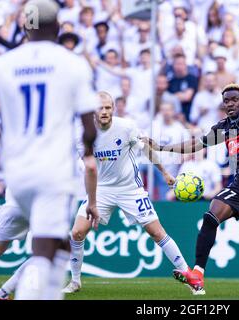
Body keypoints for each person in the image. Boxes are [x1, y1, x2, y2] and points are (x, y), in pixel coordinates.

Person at [0, 0, 99, 300]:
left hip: (16, 175)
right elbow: (89, 128)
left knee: (57, 247)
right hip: (53, 173)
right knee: (45, 253)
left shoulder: (3, 63)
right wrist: (87, 152)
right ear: (58, 27)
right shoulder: (71, 63)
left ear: (25, 27)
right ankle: (17, 294)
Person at [143, 84, 239, 295]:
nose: (229, 104)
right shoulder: (224, 128)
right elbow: (195, 145)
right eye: (226, 101)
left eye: (234, 99)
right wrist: (163, 148)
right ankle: (197, 273)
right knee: (211, 216)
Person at [56, 92, 190, 293]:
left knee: (156, 231)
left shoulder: (126, 127)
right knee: (76, 232)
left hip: (130, 189)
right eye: (100, 108)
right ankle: (75, 281)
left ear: (113, 109)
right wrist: (92, 201)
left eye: (108, 107)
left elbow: (146, 149)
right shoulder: (82, 134)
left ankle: (189, 275)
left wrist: (164, 173)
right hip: (101, 190)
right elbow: (89, 168)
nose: (104, 111)